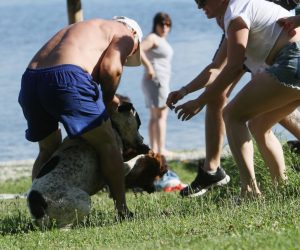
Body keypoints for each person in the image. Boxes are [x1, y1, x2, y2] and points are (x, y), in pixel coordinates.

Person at [166, 0, 300, 198]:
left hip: (292, 61)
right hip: (292, 62)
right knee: (259, 125)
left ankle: (249, 192)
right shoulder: (237, 13)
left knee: (232, 115)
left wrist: (199, 102)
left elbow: (234, 67)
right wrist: (186, 91)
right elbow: (216, 68)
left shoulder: (236, 14)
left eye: (202, 0)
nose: (199, 6)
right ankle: (283, 189)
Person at [18, 16, 143, 217]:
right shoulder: (127, 34)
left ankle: (38, 210)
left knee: (47, 148)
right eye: (131, 55)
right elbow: (112, 69)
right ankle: (122, 210)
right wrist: (108, 99)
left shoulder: (85, 27)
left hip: (31, 80)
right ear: (136, 40)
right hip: (66, 77)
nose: (128, 57)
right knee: (108, 143)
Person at [140, 12, 174, 156]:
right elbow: (138, 49)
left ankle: (155, 148)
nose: (165, 27)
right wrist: (149, 67)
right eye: (162, 24)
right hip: (156, 80)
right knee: (160, 115)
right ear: (156, 24)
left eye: (167, 24)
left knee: (156, 115)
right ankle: (160, 149)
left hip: (159, 80)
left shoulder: (161, 39)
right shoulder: (153, 38)